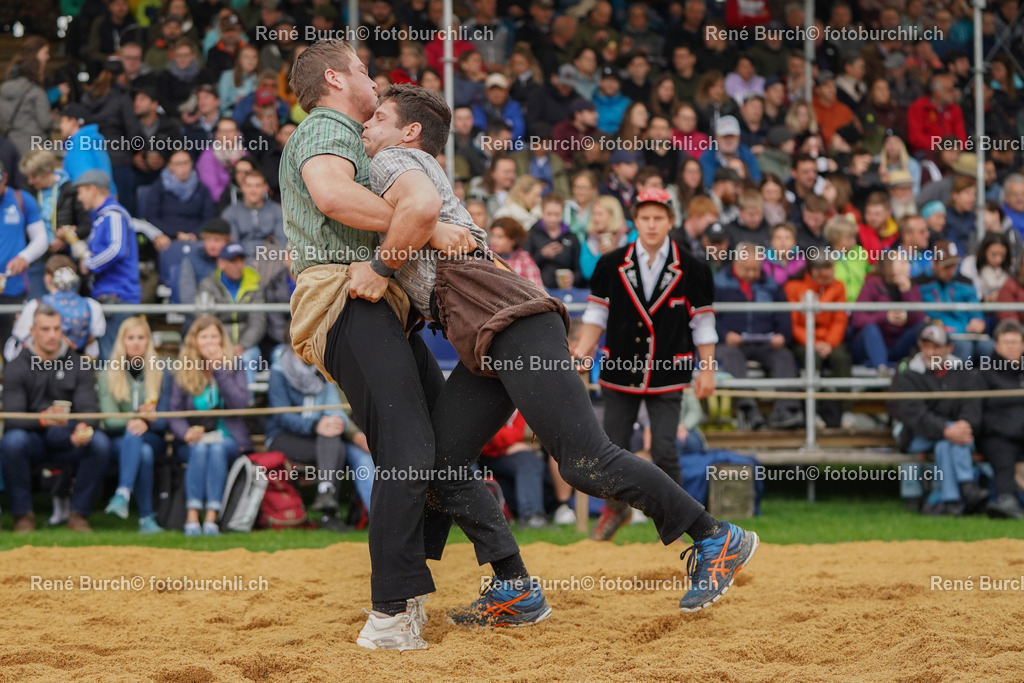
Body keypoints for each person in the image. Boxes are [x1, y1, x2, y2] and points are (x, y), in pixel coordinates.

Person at [360, 84, 757, 623]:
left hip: (511, 323)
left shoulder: (396, 158)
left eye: (378, 117)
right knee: (442, 462)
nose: (367, 126)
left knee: (585, 460)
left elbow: (421, 209)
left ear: (409, 132)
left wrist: (382, 267)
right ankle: (514, 587)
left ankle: (716, 536)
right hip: (491, 333)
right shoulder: (399, 164)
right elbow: (421, 217)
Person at [281, 40, 489, 649]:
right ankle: (389, 611)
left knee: (437, 439)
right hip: (346, 297)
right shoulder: (328, 125)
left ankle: (430, 590)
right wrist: (425, 223)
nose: (375, 82)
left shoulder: (339, 130)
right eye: (367, 71)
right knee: (409, 443)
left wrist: (413, 234)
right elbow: (331, 195)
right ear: (337, 78)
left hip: (370, 302)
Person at [0, 304, 111, 532]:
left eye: (57, 329)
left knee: (99, 443)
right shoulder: (16, 367)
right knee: (12, 442)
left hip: (70, 437)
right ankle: (23, 516)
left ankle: (79, 514)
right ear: (33, 331)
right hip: (34, 439)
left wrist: (83, 427)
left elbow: (89, 407)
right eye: (45, 329)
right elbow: (12, 417)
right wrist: (43, 419)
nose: (52, 335)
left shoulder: (78, 363)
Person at [266, 343, 374, 531]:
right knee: (333, 444)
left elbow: (333, 408)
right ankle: (329, 514)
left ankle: (326, 494)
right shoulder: (279, 369)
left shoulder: (323, 369)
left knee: (334, 439)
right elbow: (282, 416)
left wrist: (334, 423)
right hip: (282, 437)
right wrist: (315, 425)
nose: (308, 346)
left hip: (319, 437)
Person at [889, 323, 989, 516]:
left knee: (945, 445)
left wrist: (964, 425)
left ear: (948, 349)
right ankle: (966, 485)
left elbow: (972, 405)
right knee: (948, 439)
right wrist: (947, 429)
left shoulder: (962, 371)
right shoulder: (909, 373)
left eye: (936, 347)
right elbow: (914, 416)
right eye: (926, 347)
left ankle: (951, 502)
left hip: (954, 436)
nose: (930, 352)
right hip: (916, 436)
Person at [168, 316, 252, 536]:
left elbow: (240, 405)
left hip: (228, 438)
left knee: (215, 448)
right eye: (203, 337)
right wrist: (185, 432)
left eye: (214, 336)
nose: (209, 342)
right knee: (201, 448)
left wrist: (220, 370)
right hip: (194, 441)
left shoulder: (234, 366)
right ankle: (193, 516)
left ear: (222, 340)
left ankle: (212, 518)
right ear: (194, 341)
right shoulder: (184, 369)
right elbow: (174, 413)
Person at [714, 243, 803, 430]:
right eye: (747, 268)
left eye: (756, 268)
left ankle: (786, 411)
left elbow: (783, 315)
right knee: (731, 356)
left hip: (765, 342)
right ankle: (749, 410)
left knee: (784, 356)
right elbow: (708, 316)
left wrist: (782, 336)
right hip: (731, 342)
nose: (752, 273)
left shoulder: (771, 284)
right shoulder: (718, 282)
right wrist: (724, 334)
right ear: (736, 263)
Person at [100, 316, 170, 533]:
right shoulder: (107, 373)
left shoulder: (161, 372)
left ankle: (122, 494)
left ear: (149, 342)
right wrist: (137, 417)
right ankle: (146, 518)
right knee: (143, 451)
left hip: (154, 436)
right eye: (131, 338)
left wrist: (151, 420)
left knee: (143, 443)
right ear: (122, 341)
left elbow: (166, 421)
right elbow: (110, 421)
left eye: (142, 337)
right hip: (120, 440)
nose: (137, 342)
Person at [66, 169, 141, 360]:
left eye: (81, 192)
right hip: (108, 296)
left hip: (118, 295)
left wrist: (89, 264)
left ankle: (117, 390)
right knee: (108, 356)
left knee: (113, 359)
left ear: (93, 189)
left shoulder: (113, 215)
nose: (80, 199)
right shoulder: (102, 218)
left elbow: (116, 249)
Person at [784, 254, 851, 428]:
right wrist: (813, 342)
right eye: (829, 268)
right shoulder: (794, 287)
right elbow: (792, 322)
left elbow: (839, 319)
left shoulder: (838, 287)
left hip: (830, 340)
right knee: (812, 359)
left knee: (841, 359)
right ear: (815, 271)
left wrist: (829, 343)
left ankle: (845, 411)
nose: (833, 272)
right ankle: (811, 412)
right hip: (804, 340)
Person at [5, 255, 106, 362]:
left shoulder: (36, 306)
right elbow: (93, 346)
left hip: (42, 368)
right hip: (78, 366)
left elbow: (17, 343)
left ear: (48, 278)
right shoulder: (91, 306)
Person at [196, 242, 266, 388]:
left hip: (246, 346)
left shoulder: (254, 284)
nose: (238, 265)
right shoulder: (208, 285)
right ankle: (217, 404)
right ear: (221, 263)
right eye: (233, 261)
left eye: (241, 260)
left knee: (247, 359)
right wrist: (221, 347)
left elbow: (258, 321)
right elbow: (205, 320)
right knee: (211, 358)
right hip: (217, 344)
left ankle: (246, 404)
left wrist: (243, 345)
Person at [916, 240, 994, 363]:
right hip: (939, 334)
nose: (951, 270)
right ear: (934, 263)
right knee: (965, 347)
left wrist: (978, 321)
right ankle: (959, 381)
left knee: (989, 347)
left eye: (954, 264)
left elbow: (975, 309)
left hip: (968, 332)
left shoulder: (965, 282)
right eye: (946, 266)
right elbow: (918, 315)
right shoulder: (920, 283)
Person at [978, 319, 1024, 519]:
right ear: (996, 345)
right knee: (1003, 457)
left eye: (1015, 342)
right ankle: (1007, 501)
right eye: (1007, 342)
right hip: (998, 434)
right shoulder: (985, 372)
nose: (1012, 347)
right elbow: (976, 409)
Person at [851, 253, 927, 373]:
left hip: (897, 345)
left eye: (907, 263)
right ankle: (882, 369)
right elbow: (857, 320)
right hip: (869, 347)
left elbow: (918, 321)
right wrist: (885, 317)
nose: (908, 267)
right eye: (902, 263)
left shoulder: (911, 287)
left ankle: (927, 370)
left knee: (923, 326)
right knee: (870, 329)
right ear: (888, 265)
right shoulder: (871, 285)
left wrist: (906, 291)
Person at [0, 160, 47, 345]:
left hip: (14, 288)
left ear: (5, 178)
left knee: (12, 346)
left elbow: (41, 238)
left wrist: (24, 257)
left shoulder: (22, 199)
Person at [480, 411, 548, 529]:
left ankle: (532, 517)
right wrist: (503, 446)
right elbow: (477, 433)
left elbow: (516, 433)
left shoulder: (517, 399)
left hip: (499, 454)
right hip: (472, 454)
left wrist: (497, 442)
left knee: (530, 461)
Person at [220, 167, 287, 283]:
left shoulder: (277, 211)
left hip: (271, 262)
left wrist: (262, 261)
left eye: (257, 185)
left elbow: (281, 242)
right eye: (249, 186)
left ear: (265, 187)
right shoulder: (230, 213)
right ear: (242, 187)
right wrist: (248, 262)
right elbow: (233, 244)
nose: (253, 190)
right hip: (241, 262)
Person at [143, 149, 217, 241]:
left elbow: (209, 217)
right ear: (169, 166)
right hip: (166, 238)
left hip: (196, 239)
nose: (183, 167)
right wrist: (174, 234)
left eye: (186, 163)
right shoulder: (159, 187)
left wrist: (195, 234)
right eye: (178, 164)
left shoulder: (202, 189)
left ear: (192, 164)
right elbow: (151, 216)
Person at [524, 193, 582, 289]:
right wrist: (542, 255)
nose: (553, 219)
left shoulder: (571, 237)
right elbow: (524, 266)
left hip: (566, 290)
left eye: (557, 214)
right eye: (549, 214)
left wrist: (574, 278)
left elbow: (579, 270)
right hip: (538, 288)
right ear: (542, 212)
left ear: (562, 213)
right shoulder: (532, 234)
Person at [488, 217, 543, 287]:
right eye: (493, 235)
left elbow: (537, 290)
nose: (494, 241)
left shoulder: (525, 261)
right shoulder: (487, 257)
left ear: (513, 240)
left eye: (500, 237)